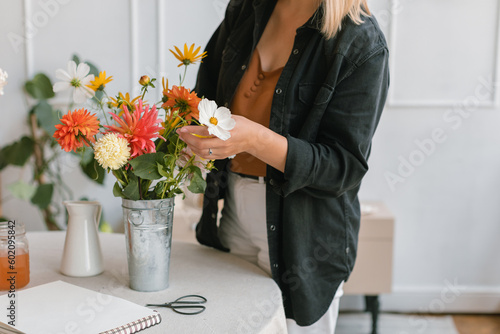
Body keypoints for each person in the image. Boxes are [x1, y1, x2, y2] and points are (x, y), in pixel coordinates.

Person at [177, 0, 389, 332]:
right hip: (231, 213)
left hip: (305, 237)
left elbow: (343, 167)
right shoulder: (248, 8)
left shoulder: (360, 42)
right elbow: (203, 94)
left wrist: (256, 140)